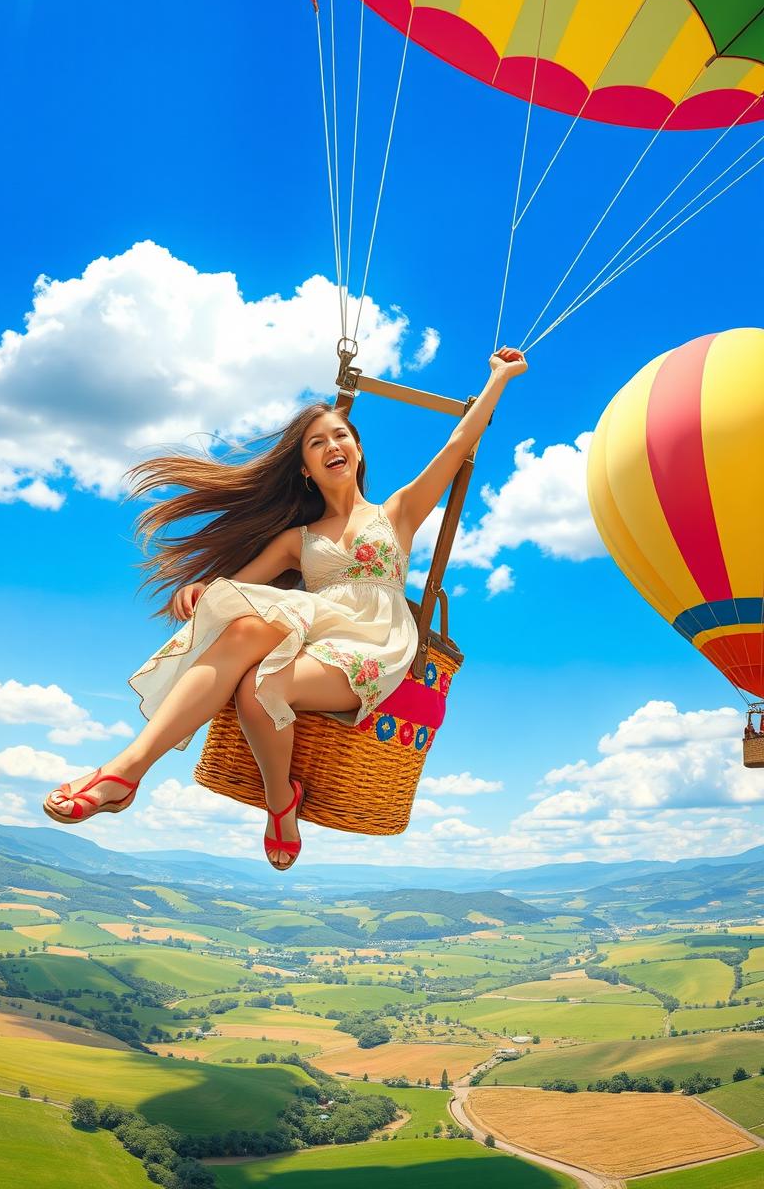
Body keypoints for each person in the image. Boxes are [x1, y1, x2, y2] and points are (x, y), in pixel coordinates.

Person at [42, 346, 528, 867]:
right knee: (242, 631)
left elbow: (458, 445)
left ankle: (279, 802)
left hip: (372, 644)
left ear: (358, 450)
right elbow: (234, 590)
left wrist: (499, 378)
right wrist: (200, 589)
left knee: (261, 685)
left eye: (340, 436)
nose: (331, 445)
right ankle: (127, 770)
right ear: (305, 469)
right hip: (315, 633)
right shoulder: (297, 540)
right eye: (317, 443)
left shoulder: (398, 512)